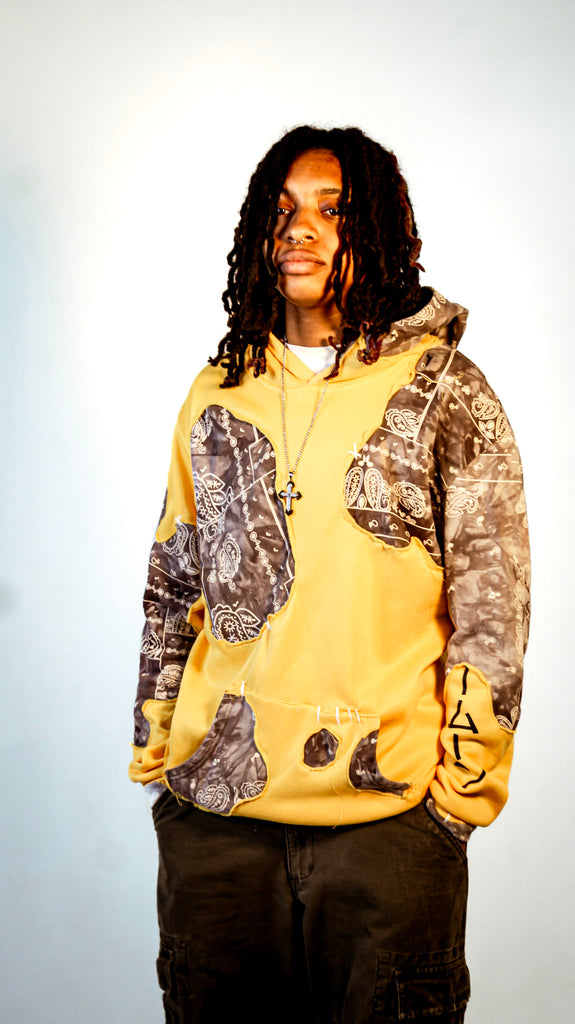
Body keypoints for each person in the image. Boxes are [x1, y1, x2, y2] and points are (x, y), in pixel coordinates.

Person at [129, 125, 530, 1024]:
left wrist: (454, 804)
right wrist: (159, 760)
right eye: (281, 212)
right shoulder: (217, 390)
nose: (299, 230)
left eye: (330, 210)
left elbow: (492, 612)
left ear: (377, 230)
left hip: (387, 830)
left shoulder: (444, 390)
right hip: (216, 826)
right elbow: (174, 580)